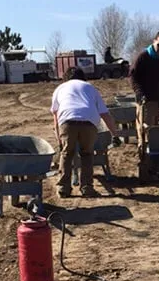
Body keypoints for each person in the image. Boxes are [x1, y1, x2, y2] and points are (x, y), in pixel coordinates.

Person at [50, 67, 119, 198]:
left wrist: (59, 138)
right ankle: (87, 187)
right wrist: (115, 134)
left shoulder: (60, 88)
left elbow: (56, 115)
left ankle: (64, 188)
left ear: (66, 78)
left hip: (67, 121)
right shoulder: (90, 88)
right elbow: (105, 114)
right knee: (87, 154)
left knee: (67, 153)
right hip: (89, 122)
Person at [129, 30, 159, 165]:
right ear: (154, 41)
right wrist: (139, 92)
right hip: (146, 103)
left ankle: (158, 165)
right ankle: (144, 164)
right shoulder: (143, 57)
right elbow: (132, 76)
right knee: (145, 133)